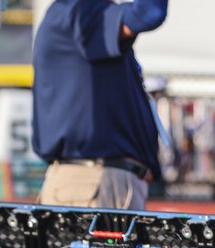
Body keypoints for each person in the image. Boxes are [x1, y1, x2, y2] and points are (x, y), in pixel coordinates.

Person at [32, 0, 168, 211]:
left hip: (94, 182)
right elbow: (149, 12)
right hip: (93, 181)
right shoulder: (78, 9)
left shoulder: (72, 13)